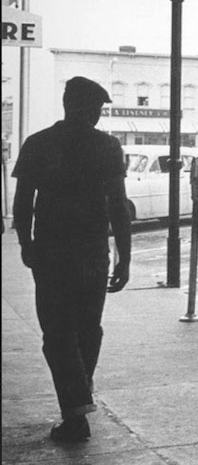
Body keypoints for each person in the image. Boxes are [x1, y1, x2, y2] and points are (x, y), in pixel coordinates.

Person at [12, 77, 131, 442]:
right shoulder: (107, 146)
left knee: (58, 333)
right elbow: (119, 206)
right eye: (94, 108)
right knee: (87, 329)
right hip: (91, 253)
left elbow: (22, 201)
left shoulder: (39, 143)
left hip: (51, 253)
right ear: (75, 106)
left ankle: (76, 408)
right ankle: (80, 395)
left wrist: (26, 243)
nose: (97, 115)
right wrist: (124, 257)